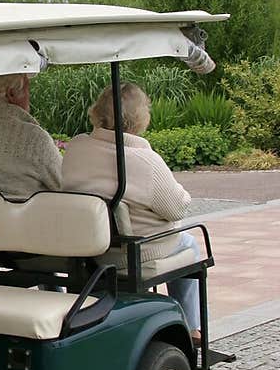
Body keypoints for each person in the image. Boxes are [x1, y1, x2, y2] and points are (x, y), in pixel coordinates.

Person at [61, 81, 201, 342]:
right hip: (133, 253)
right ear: (139, 117)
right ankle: (191, 328)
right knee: (191, 244)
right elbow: (177, 208)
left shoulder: (77, 148)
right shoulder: (144, 160)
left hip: (88, 249)